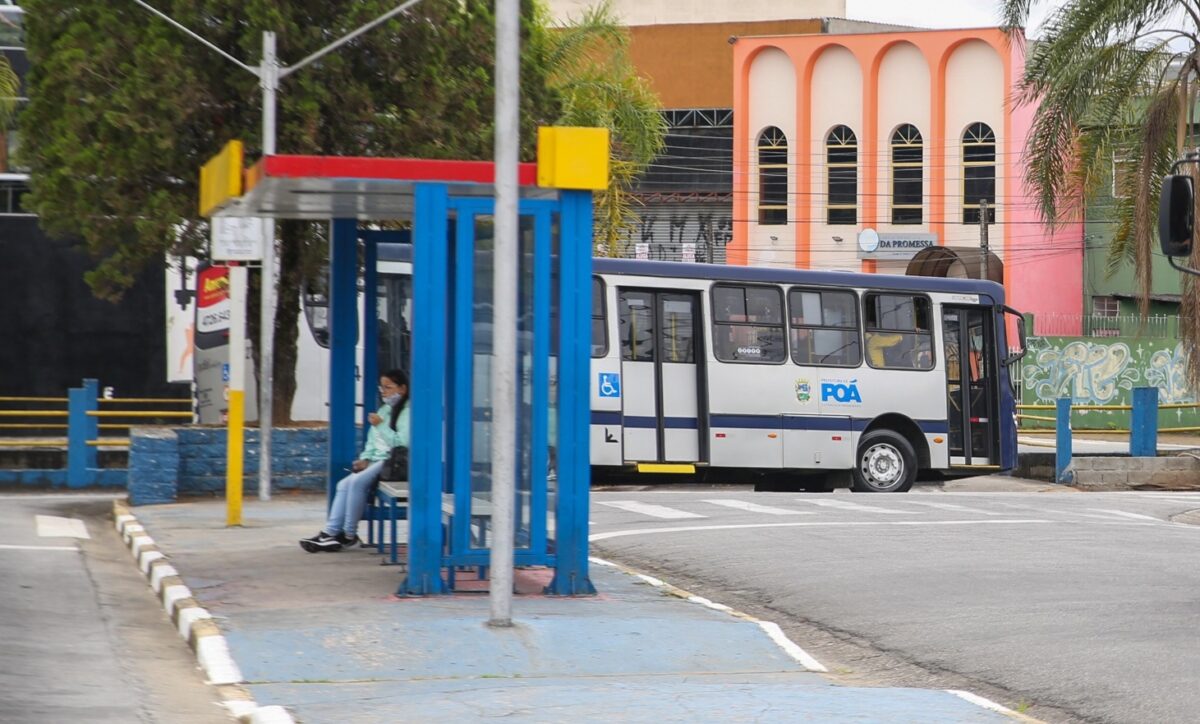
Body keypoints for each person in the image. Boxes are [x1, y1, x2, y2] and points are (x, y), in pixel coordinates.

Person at [299, 369, 410, 552]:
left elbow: (402, 442)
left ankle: (348, 534)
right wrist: (365, 457)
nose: (384, 392)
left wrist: (380, 425)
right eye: (381, 388)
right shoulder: (385, 409)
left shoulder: (407, 412)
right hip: (378, 460)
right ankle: (330, 532)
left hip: (395, 462)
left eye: (388, 387)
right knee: (344, 484)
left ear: (402, 389)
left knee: (357, 482)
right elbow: (374, 439)